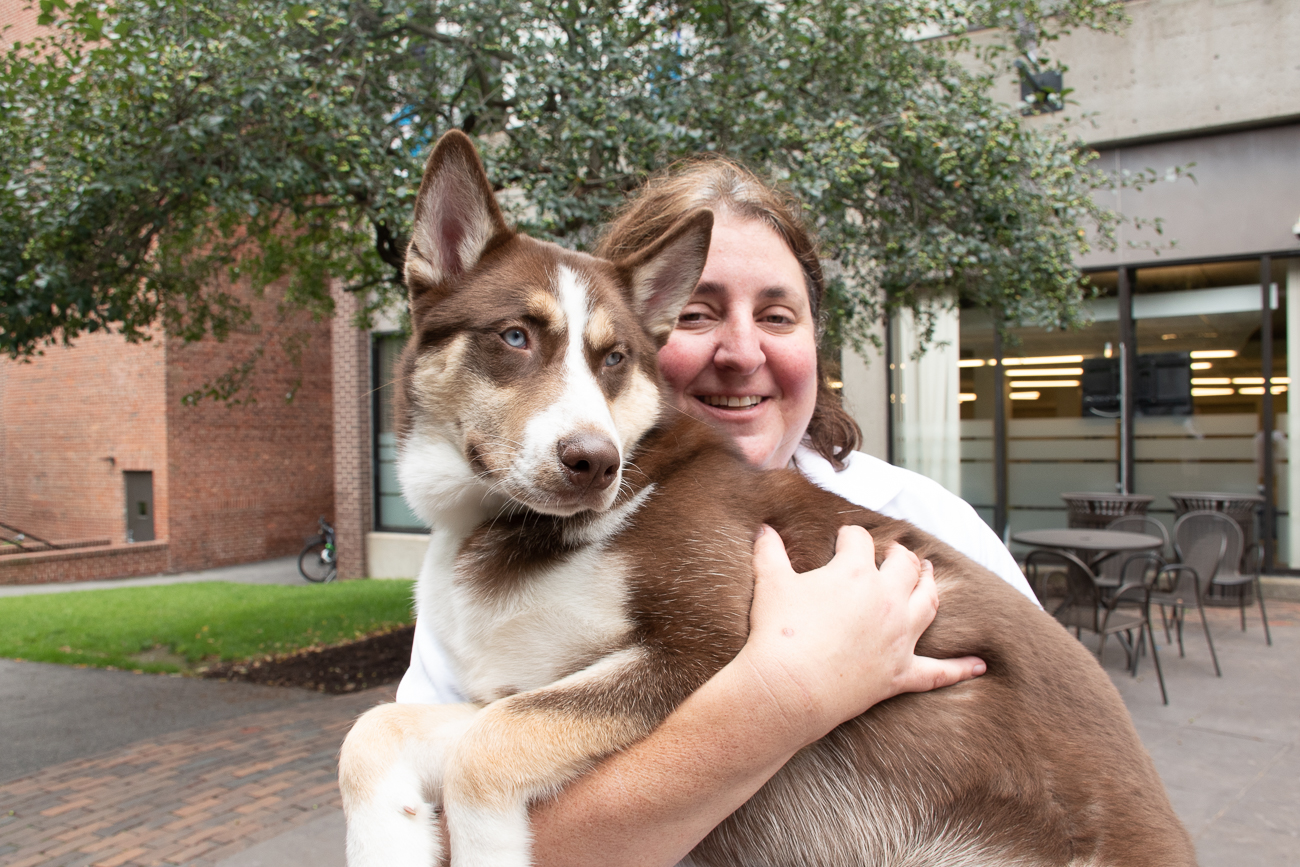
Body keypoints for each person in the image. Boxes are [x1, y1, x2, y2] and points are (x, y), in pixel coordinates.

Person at [395, 156, 1037, 866]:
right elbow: (440, 843)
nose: (740, 351)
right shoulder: (488, 555)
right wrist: (782, 699)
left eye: (777, 315)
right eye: (697, 312)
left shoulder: (923, 517)